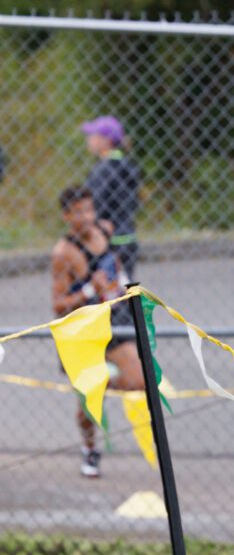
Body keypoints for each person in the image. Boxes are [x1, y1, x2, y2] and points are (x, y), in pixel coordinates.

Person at [50, 186, 144, 478]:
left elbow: (114, 264)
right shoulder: (64, 253)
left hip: (113, 322)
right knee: (87, 408)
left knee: (141, 381)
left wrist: (120, 283)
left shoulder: (105, 230)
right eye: (78, 212)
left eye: (89, 209)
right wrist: (91, 289)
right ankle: (90, 451)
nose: (86, 217)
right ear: (66, 216)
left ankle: (103, 382)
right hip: (82, 334)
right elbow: (58, 305)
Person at [81, 116, 142, 280]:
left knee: (110, 295)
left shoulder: (103, 169)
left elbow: (96, 204)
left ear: (106, 140)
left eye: (92, 135)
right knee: (125, 288)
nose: (89, 140)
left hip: (109, 241)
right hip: (127, 237)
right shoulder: (128, 165)